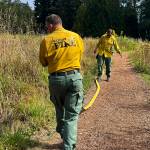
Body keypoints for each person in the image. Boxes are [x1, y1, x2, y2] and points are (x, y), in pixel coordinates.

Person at [39, 14, 84, 150]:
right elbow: (79, 54)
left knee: (60, 110)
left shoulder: (47, 40)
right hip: (74, 78)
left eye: (47, 26)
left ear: (51, 25)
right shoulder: (75, 37)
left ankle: (66, 141)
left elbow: (43, 62)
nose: (47, 28)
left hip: (56, 80)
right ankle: (68, 143)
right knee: (71, 115)